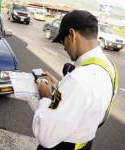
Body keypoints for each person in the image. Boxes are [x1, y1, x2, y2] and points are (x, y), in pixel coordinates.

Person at [32, 10, 118, 150]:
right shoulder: (109, 67)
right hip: (85, 144)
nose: (64, 46)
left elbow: (46, 137)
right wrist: (61, 87)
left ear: (72, 34)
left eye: (62, 40)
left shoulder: (78, 80)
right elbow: (88, 104)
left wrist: (46, 98)